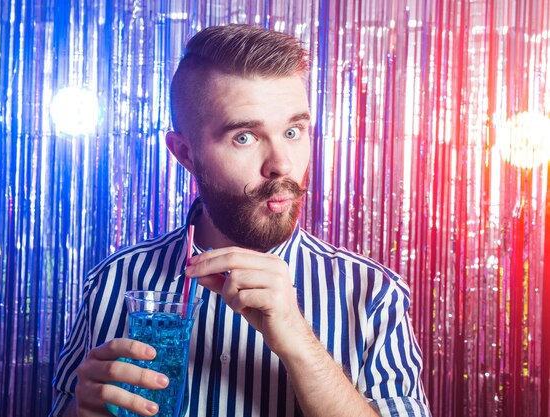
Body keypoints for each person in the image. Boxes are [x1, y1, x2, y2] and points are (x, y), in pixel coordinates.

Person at [50, 24, 431, 417]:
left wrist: (299, 341)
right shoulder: (111, 283)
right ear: (184, 153)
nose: (282, 164)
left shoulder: (372, 294)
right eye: (244, 137)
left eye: (293, 131)